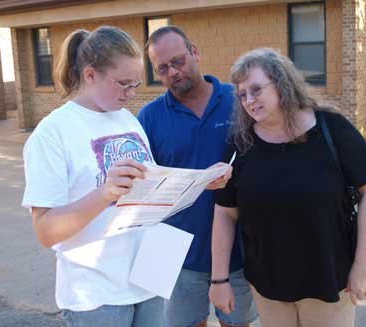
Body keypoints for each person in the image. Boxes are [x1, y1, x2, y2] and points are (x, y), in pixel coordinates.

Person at [209, 48, 366, 327]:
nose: (249, 101)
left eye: (256, 90)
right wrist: (219, 279)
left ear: (282, 84)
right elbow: (225, 213)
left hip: (329, 281)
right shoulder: (240, 144)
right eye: (242, 94)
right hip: (269, 287)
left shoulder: (333, 130)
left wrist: (363, 266)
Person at [22, 26, 165, 327]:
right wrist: (104, 194)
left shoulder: (127, 118)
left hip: (151, 274)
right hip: (97, 292)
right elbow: (46, 230)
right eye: (123, 84)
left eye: (136, 83)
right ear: (90, 75)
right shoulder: (52, 133)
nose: (132, 93)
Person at [138, 26, 257, 327]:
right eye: (162, 68)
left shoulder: (237, 100)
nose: (173, 72)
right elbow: (144, 187)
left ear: (195, 52)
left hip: (238, 248)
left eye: (178, 61)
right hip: (174, 252)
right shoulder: (149, 117)